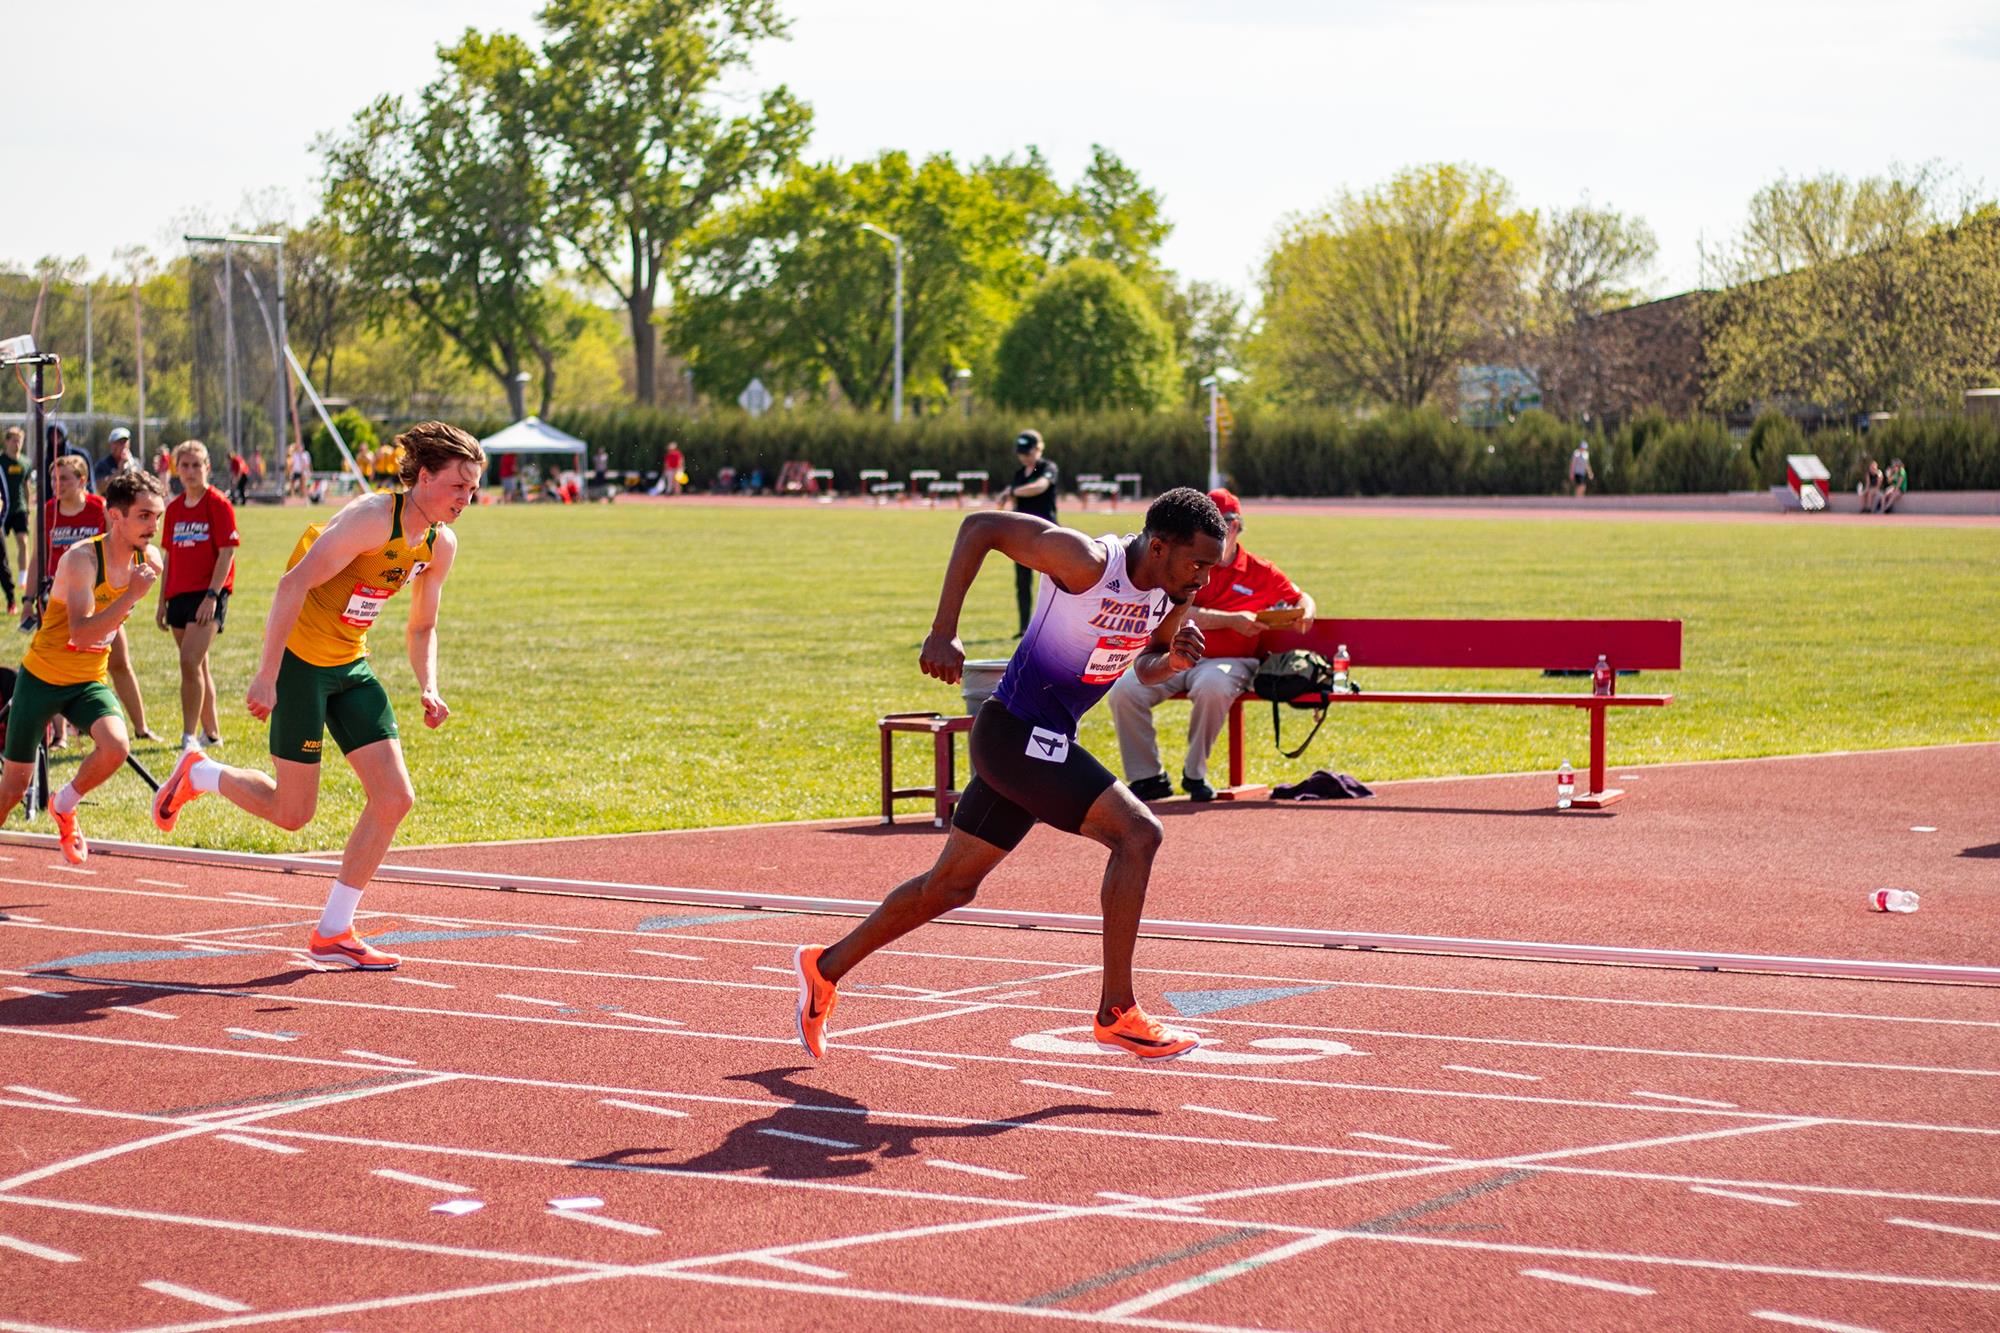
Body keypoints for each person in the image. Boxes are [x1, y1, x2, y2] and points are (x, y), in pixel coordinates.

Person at [791, 488, 1226, 1063]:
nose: (1204, 580)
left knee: (949, 887)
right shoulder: (1087, 562)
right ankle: (1117, 1011)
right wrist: (944, 630)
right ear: (1159, 544)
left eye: (1211, 568)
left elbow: (1144, 666)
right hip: (1012, 733)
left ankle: (824, 967)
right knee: (1138, 833)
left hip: (1043, 743)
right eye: (1197, 563)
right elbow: (980, 527)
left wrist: (1172, 662)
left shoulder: (1176, 591)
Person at [152, 421, 483, 971]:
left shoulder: (438, 544)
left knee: (395, 797)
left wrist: (429, 685)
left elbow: (422, 626)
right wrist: (267, 674)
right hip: (301, 667)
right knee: (292, 813)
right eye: (459, 486)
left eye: (473, 489)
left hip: (350, 665)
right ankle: (200, 773)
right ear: (425, 477)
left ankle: (333, 931)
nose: (467, 499)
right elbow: (292, 584)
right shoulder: (372, 520)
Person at [1110, 489, 1317, 802]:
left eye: (1217, 524)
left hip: (1234, 661)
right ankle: (1148, 778)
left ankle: (1195, 774)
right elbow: (1178, 612)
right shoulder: (1185, 562)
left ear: (1233, 527)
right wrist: (1232, 619)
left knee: (1213, 684)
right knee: (1126, 690)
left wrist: (1307, 611)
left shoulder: (1261, 570)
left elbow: (1300, 597)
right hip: (1178, 656)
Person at [0, 471, 165, 864]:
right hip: (42, 679)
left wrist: (132, 595)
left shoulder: (149, 559)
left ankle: (65, 803)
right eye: (144, 516)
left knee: (116, 746)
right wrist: (131, 597)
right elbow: (81, 634)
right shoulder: (81, 560)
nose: (153, 527)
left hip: (88, 679)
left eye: (157, 516)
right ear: (115, 517)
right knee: (13, 790)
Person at [39, 457, 156, 740]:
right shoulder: (49, 510)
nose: (58, 484)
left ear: (81, 480)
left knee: (120, 662)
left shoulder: (97, 507)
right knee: (56, 663)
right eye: (54, 479)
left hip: (105, 596)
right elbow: (37, 555)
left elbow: (118, 543)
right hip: (64, 596)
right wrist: (30, 595)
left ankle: (141, 727)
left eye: (64, 478)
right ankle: (61, 735)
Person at [157, 441, 238, 752]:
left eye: (196, 465)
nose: (190, 472)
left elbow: (227, 553)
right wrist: (161, 600)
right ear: (177, 469)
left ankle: (189, 737)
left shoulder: (218, 504)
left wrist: (212, 595)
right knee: (199, 665)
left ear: (208, 468)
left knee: (189, 661)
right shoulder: (175, 508)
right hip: (178, 594)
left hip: (207, 595)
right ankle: (212, 733)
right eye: (185, 465)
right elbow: (169, 557)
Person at [997, 429, 1059, 636]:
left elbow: (1039, 487)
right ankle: (1024, 628)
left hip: (1047, 533)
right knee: (1022, 583)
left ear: (1038, 448)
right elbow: (1012, 502)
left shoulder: (1047, 468)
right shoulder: (1018, 474)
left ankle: (1051, 627)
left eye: (1027, 452)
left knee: (1052, 582)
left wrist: (1012, 491)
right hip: (1022, 535)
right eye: (1021, 452)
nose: (1023, 456)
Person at [2, 427, 28, 607]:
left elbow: (26, 486)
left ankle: (23, 577)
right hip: (3, 510)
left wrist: (27, 506)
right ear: (6, 441)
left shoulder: (26, 462)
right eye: (14, 440)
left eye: (20, 440)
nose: (17, 443)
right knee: (2, 552)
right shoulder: (1, 461)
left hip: (19, 508)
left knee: (23, 541)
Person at [93, 426, 140, 491]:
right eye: (119, 442)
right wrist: (119, 470)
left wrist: (130, 465)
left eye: (125, 442)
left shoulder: (135, 463)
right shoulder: (103, 465)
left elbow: (138, 485)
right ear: (111, 445)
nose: (123, 446)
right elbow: (100, 488)